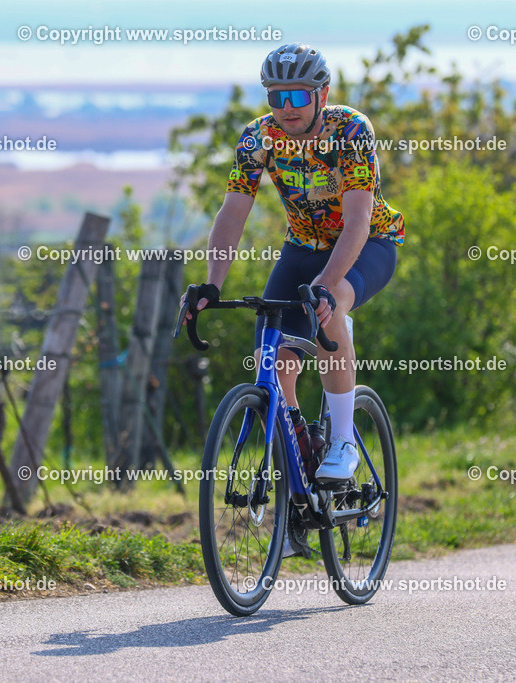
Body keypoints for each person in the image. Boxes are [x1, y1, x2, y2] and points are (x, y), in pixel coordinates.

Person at [181, 43, 403, 483]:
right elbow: (232, 212)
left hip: (367, 244)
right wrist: (211, 284)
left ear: (322, 94)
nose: (287, 107)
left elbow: (358, 222)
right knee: (274, 352)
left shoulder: (351, 130)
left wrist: (326, 283)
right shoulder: (257, 137)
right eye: (276, 96)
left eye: (298, 96)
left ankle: (342, 440)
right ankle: (301, 444)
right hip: (302, 248)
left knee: (332, 301)